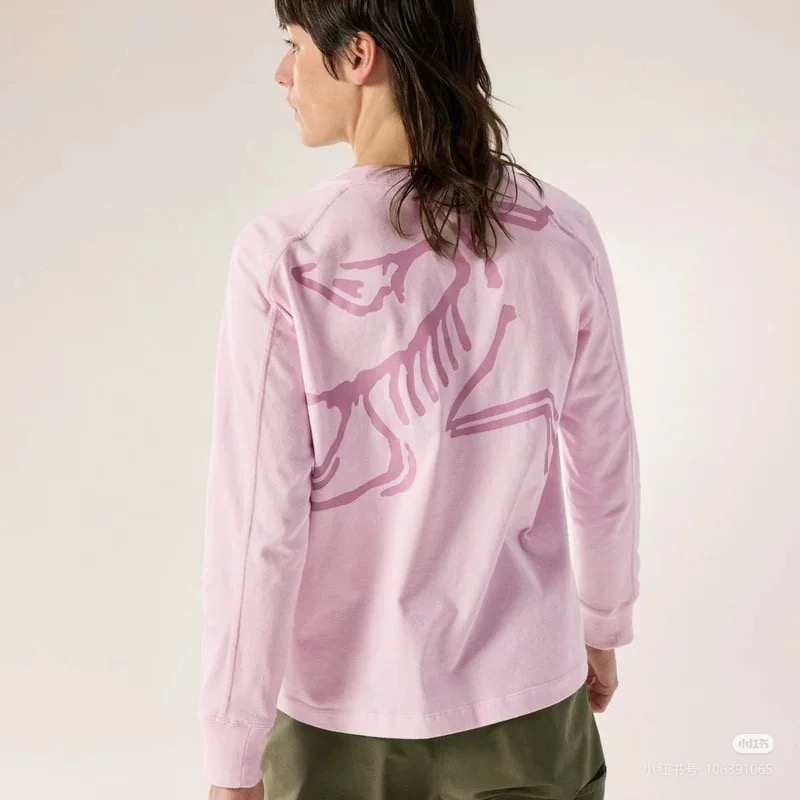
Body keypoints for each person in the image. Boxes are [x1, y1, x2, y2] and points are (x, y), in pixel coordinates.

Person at [200, 1, 641, 798]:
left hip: (337, 730)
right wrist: (604, 620)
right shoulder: (561, 231)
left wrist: (233, 749)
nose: (283, 73)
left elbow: (259, 526)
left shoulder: (287, 253)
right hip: (527, 711)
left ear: (357, 55)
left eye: (294, 45)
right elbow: (605, 456)